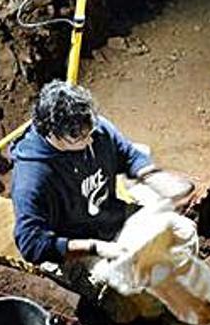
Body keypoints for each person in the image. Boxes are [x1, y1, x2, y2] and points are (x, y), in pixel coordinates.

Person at [11, 81, 192, 267]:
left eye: (90, 131)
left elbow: (127, 153)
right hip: (77, 247)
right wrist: (93, 248)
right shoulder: (31, 180)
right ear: (52, 134)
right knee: (137, 278)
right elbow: (31, 244)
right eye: (79, 138)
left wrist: (153, 177)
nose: (90, 140)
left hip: (111, 216)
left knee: (184, 232)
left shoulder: (92, 127)